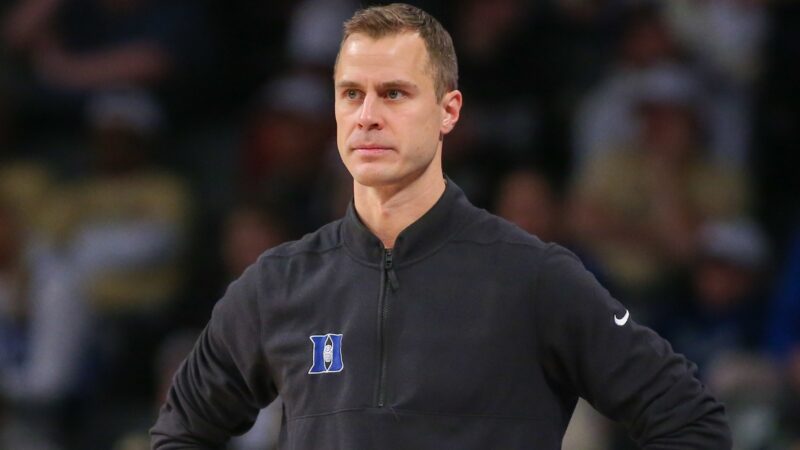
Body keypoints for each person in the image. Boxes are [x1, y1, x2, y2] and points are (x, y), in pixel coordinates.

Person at [151, 4, 731, 449]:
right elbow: (180, 433)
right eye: (351, 94)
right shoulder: (277, 283)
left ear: (448, 111)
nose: (368, 115)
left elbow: (688, 418)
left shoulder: (531, 277)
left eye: (394, 94)